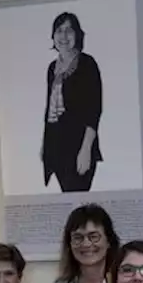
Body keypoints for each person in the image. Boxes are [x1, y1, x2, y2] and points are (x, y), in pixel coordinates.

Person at [43, 12, 103, 192]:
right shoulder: (52, 68)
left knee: (78, 202)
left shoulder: (87, 64)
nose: (63, 36)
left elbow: (94, 110)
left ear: (77, 35)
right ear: (53, 36)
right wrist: (44, 147)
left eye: (69, 30)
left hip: (79, 147)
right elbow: (49, 111)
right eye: (59, 30)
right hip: (57, 147)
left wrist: (85, 150)